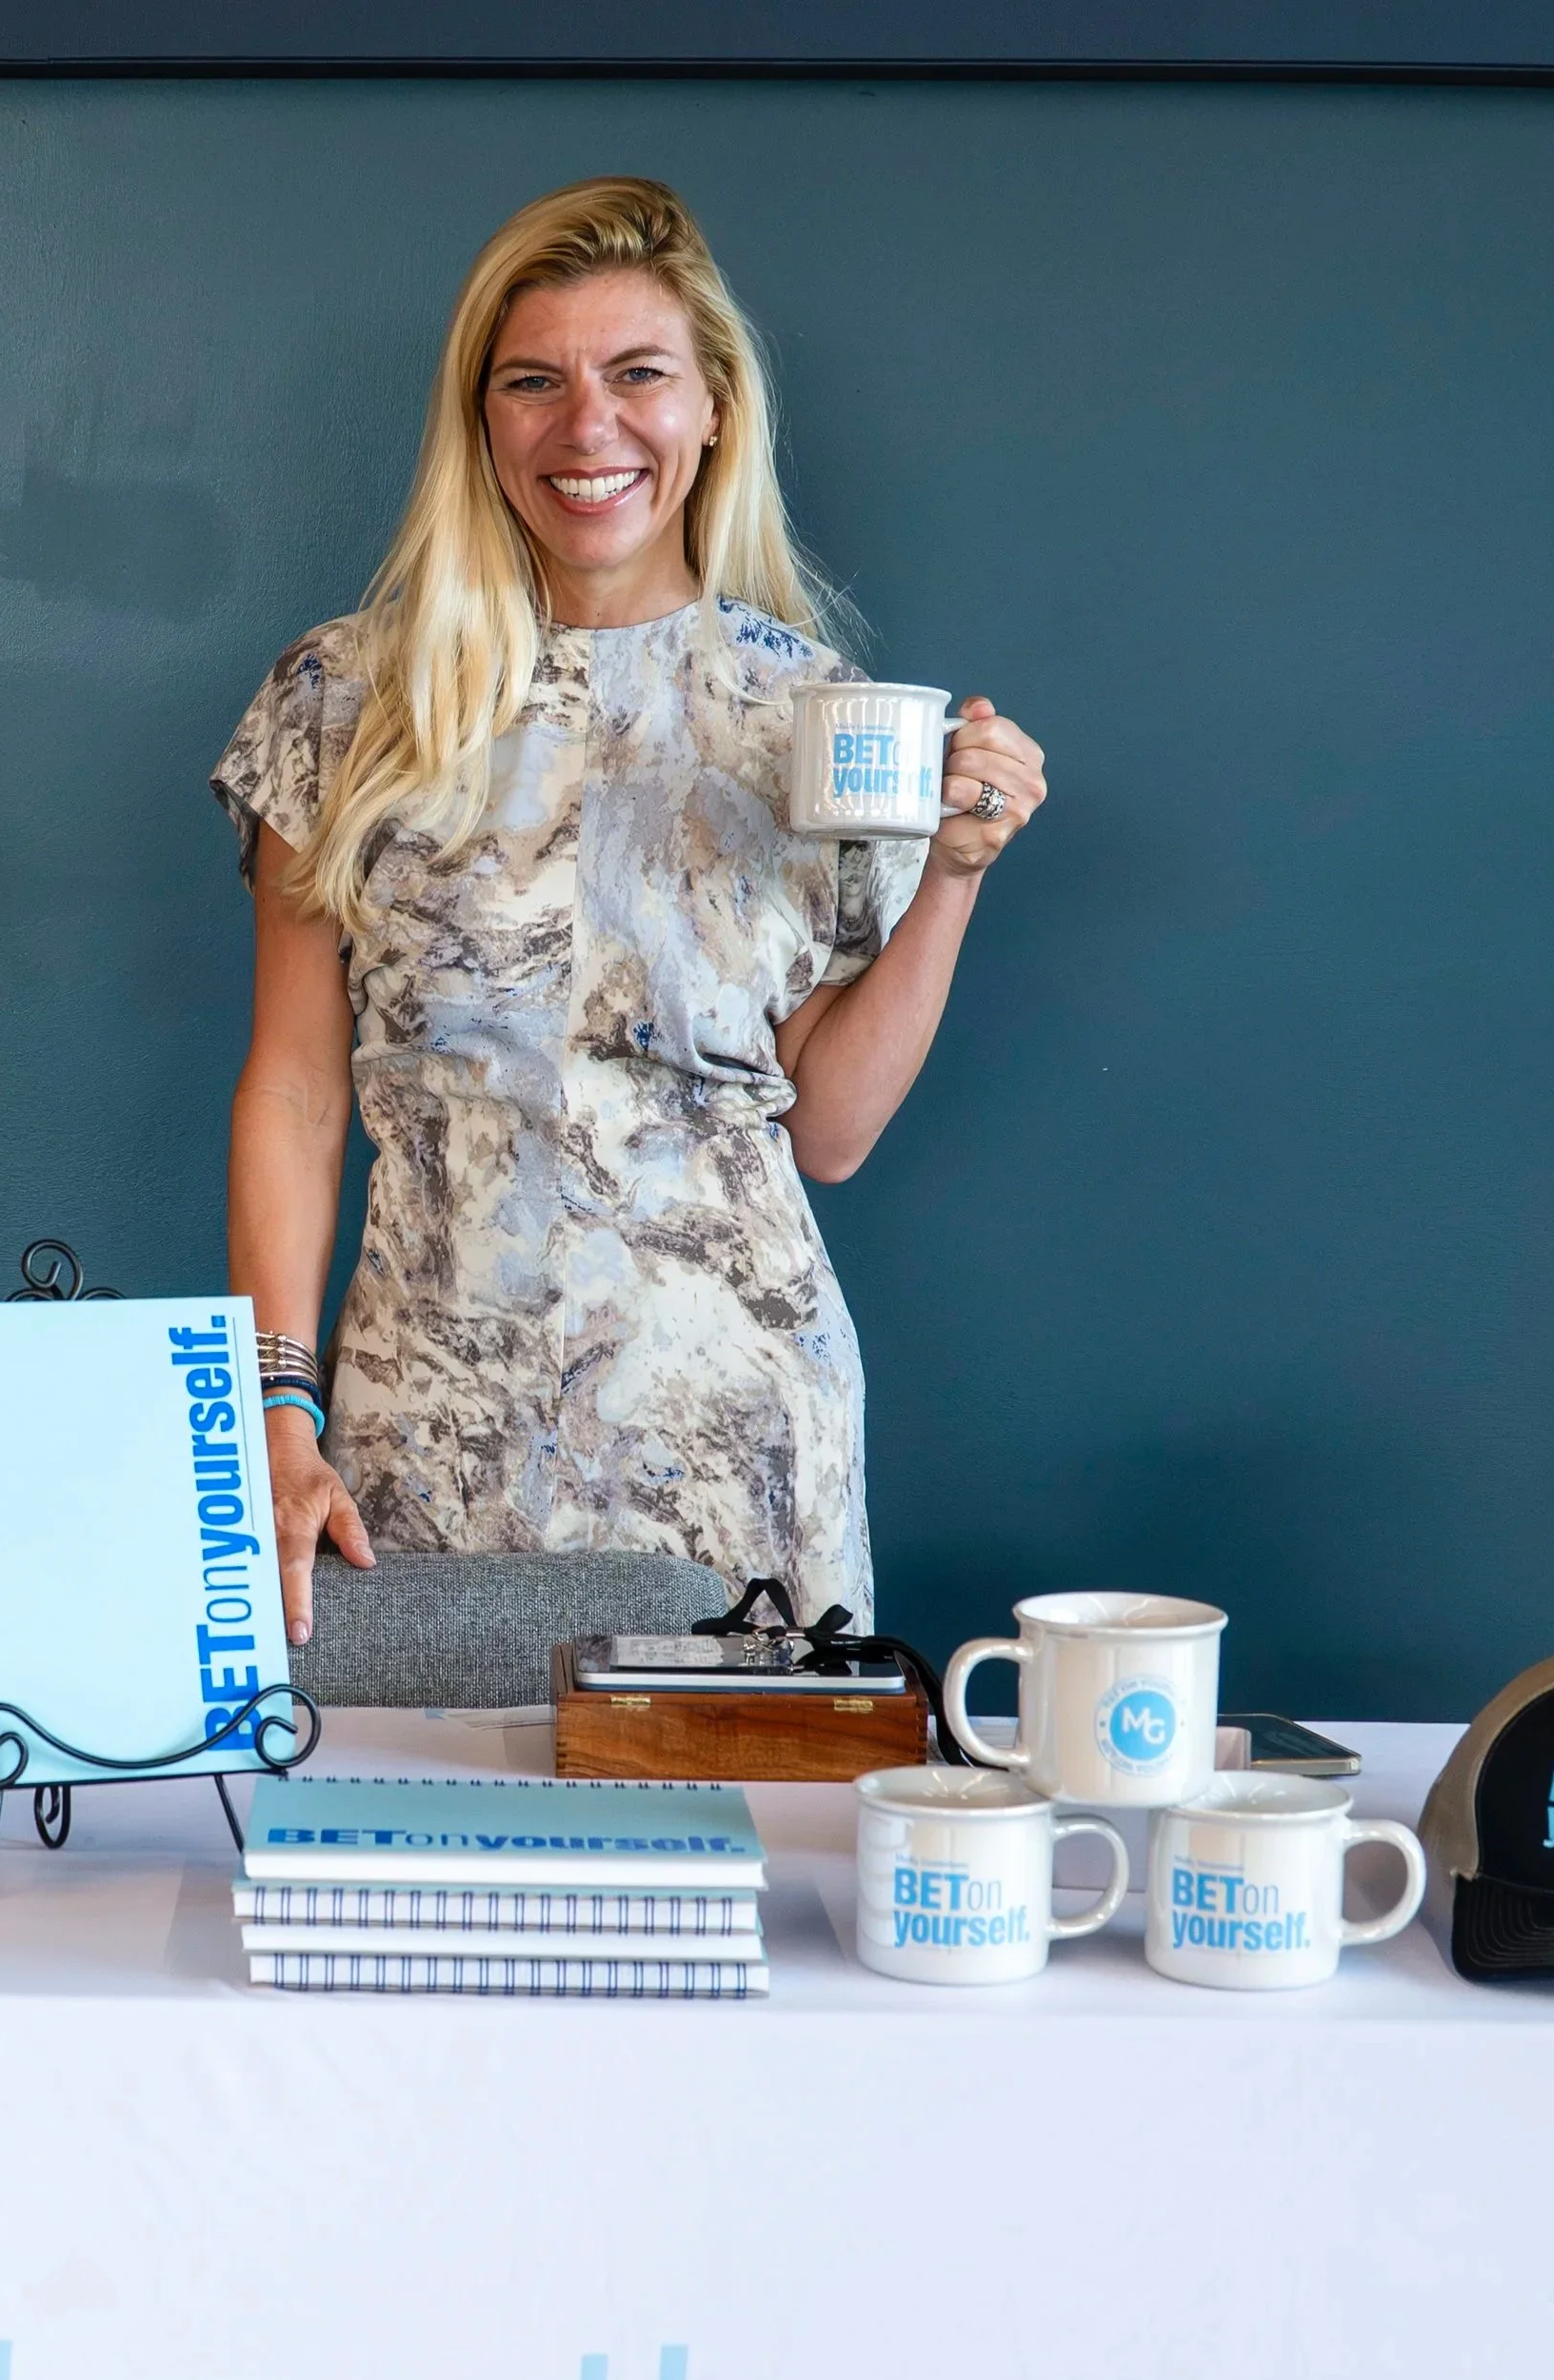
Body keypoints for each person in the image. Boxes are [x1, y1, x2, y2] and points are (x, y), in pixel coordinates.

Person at [211, 176, 1046, 1646]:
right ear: (483, 422)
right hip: (422, 1435)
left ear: (715, 407)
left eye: (639, 375)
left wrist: (956, 878)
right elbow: (292, 1090)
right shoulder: (345, 701)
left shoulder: (822, 720)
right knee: (425, 1852)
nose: (586, 426)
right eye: (533, 382)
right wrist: (271, 1412)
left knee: (740, 1861)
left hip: (738, 1440)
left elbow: (833, 1134)